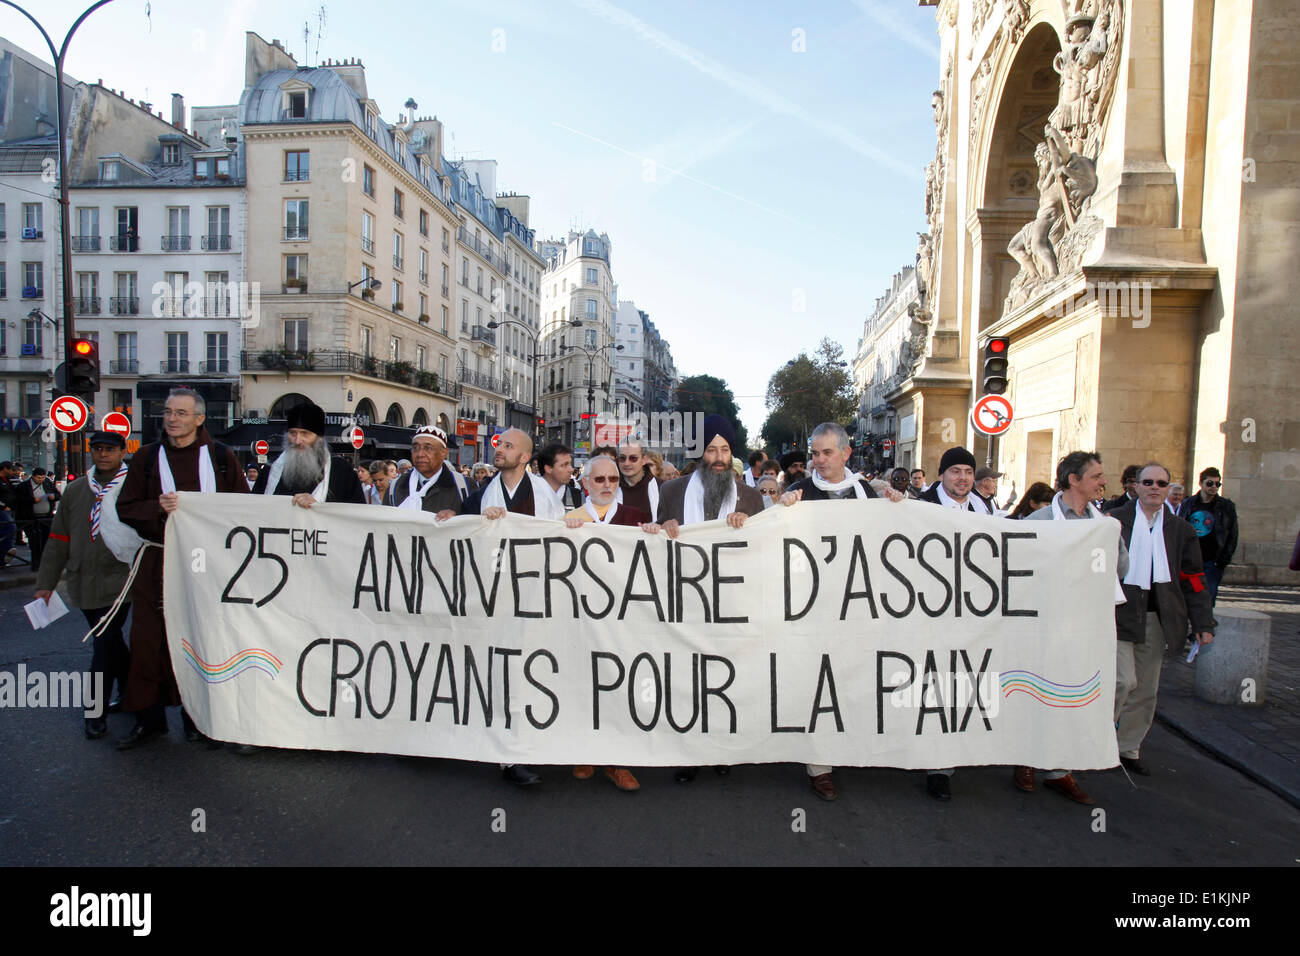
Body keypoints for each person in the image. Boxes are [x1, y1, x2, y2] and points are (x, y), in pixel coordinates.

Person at [114, 387, 248, 749]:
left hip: (205, 565)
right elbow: (125, 507)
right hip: (157, 560)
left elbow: (242, 509)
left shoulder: (221, 458)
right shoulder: (145, 457)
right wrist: (158, 508)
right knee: (147, 641)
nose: (172, 419)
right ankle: (149, 719)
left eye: (181, 413)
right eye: (169, 412)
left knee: (201, 639)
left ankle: (198, 719)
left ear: (200, 419)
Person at [777, 423, 903, 800]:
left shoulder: (871, 492)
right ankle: (820, 766)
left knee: (855, 678)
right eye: (814, 453)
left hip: (861, 607)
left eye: (826, 452)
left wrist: (897, 505)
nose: (818, 460)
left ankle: (857, 747)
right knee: (819, 682)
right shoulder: (798, 494)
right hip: (813, 609)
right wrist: (780, 511)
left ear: (846, 454)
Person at [1021, 452, 1130, 803]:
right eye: (1096, 475)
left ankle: (1058, 769)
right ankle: (1025, 758)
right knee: (1036, 690)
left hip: (1085, 626)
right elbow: (1019, 569)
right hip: (1044, 624)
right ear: (1073, 480)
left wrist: (1114, 538)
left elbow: (1121, 571)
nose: (1102, 482)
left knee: (1073, 692)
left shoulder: (1103, 522)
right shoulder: (1040, 519)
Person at [459, 428, 562, 787]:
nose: (498, 449)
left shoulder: (545, 497)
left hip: (531, 597)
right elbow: (457, 531)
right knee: (497, 671)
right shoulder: (478, 497)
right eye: (499, 444)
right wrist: (456, 519)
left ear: (524, 457)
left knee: (525, 672)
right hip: (492, 599)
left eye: (507, 446)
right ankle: (503, 752)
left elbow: (559, 535)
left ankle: (520, 748)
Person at [562, 454, 659, 792]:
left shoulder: (637, 518)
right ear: (585, 482)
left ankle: (617, 760)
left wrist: (655, 535)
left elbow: (654, 563)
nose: (607, 486)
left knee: (619, 684)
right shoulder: (569, 519)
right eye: (599, 479)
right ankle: (586, 750)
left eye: (613, 480)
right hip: (583, 618)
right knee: (585, 682)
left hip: (624, 619)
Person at [1112, 463, 1215, 775]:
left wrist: (1203, 623)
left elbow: (1194, 578)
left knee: (1145, 689)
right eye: (1148, 482)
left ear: (1169, 488)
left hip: (1158, 617)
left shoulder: (1181, 530)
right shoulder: (1114, 521)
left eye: (1161, 483)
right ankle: (1097, 740)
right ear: (1137, 486)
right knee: (1122, 681)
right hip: (1118, 614)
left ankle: (1127, 749)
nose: (1154, 487)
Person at [34, 432, 134, 739]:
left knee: (104, 644)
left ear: (122, 452)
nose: (103, 455)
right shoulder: (77, 490)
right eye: (98, 449)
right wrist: (45, 583)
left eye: (110, 450)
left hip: (121, 580)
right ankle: (135, 696)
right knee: (112, 642)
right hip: (83, 578)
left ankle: (95, 712)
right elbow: (58, 539)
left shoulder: (133, 487)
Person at [915, 446, 992, 800]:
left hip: (969, 613)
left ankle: (942, 765)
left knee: (957, 685)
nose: (963, 478)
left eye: (968, 472)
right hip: (925, 612)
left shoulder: (982, 506)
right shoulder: (921, 507)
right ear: (942, 475)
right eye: (955, 471)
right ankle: (928, 758)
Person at [252, 402, 367, 505]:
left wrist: (319, 508)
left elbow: (355, 515)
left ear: (319, 438)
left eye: (305, 434)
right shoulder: (271, 469)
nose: (297, 441)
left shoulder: (341, 471)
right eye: (293, 433)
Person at [1177, 466, 1237, 607]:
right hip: (1190, 560)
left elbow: (1232, 534)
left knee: (1208, 598)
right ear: (1201, 483)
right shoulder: (1188, 503)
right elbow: (1179, 529)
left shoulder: (1226, 506)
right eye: (1210, 483)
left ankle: (1204, 628)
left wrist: (1224, 559)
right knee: (1186, 597)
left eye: (1217, 484)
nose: (1214, 487)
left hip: (1213, 561)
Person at [390, 425, 468, 518]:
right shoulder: (396, 486)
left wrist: (456, 519)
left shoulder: (462, 486)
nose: (420, 454)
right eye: (415, 448)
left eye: (428, 448)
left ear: (444, 452)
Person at [14, 466, 60, 571]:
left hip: (46, 517)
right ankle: (36, 563)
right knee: (35, 541)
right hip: (31, 518)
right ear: (33, 476)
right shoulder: (24, 486)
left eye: (43, 477)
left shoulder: (47, 484)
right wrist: (32, 500)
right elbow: (19, 500)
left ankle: (43, 563)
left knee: (46, 540)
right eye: (39, 477)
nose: (41, 480)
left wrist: (54, 497)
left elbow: (58, 495)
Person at [615, 438, 663, 520]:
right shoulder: (609, 487)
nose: (627, 463)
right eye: (622, 458)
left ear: (644, 460)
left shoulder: (662, 488)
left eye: (633, 458)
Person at [537, 442, 583, 511]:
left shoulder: (577, 496)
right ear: (548, 468)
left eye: (570, 464)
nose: (571, 469)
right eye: (564, 465)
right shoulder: (530, 496)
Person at [0, 460, 18, 565]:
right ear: (5, 469)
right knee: (10, 528)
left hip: (10, 508)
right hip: (3, 509)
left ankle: (3, 557)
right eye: (11, 469)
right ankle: (7, 549)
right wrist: (3, 506)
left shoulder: (9, 479)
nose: (13, 472)